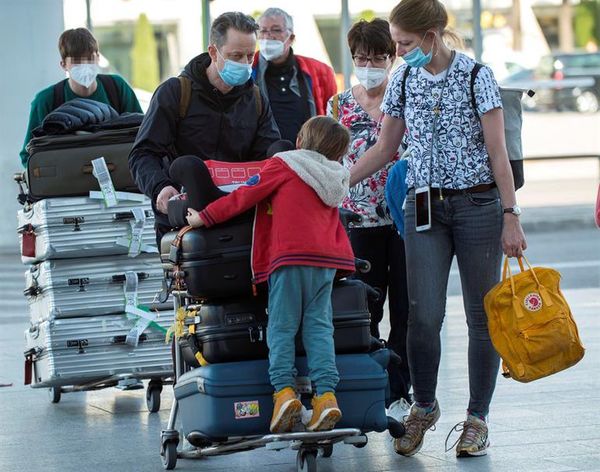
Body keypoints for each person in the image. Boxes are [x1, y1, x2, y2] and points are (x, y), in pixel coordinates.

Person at [348, 0, 527, 458]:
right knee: (422, 315)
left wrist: (511, 214)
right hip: (422, 205)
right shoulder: (404, 78)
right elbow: (387, 146)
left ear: (430, 36)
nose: (400, 51)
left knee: (480, 316)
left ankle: (477, 419)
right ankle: (424, 406)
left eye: (405, 43)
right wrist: (335, 182)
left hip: (478, 206)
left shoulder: (475, 76)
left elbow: (497, 151)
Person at [186, 116, 355, 433]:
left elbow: (243, 197)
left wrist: (204, 217)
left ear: (301, 141)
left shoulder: (284, 164)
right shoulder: (336, 176)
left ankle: (284, 393)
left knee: (282, 326)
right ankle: (326, 397)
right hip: (326, 262)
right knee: (319, 327)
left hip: (290, 257)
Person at [129, 11, 280, 243]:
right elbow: (143, 154)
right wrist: (161, 187)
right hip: (186, 219)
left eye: (250, 56)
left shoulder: (256, 99)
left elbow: (267, 157)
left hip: (239, 215)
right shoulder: (175, 93)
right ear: (213, 52)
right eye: (236, 56)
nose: (245, 64)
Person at [327, 18, 411, 420]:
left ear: (391, 57)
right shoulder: (340, 104)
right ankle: (370, 381)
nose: (370, 65)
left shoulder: (405, 95)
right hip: (357, 221)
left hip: (404, 219)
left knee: (408, 310)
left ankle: (400, 387)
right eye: (363, 58)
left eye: (378, 58)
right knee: (366, 307)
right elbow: (327, 156)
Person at [20, 27, 142, 167]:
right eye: (77, 60)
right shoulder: (46, 101)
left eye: (90, 58)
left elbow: (142, 134)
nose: (85, 65)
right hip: (68, 182)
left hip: (118, 175)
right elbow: (28, 155)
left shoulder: (117, 88)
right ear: (63, 65)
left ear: (98, 58)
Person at [252, 7, 338, 143]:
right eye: (262, 31)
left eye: (276, 30)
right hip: (262, 157)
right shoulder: (249, 70)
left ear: (291, 37)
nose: (268, 36)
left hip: (307, 155)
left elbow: (331, 117)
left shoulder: (320, 71)